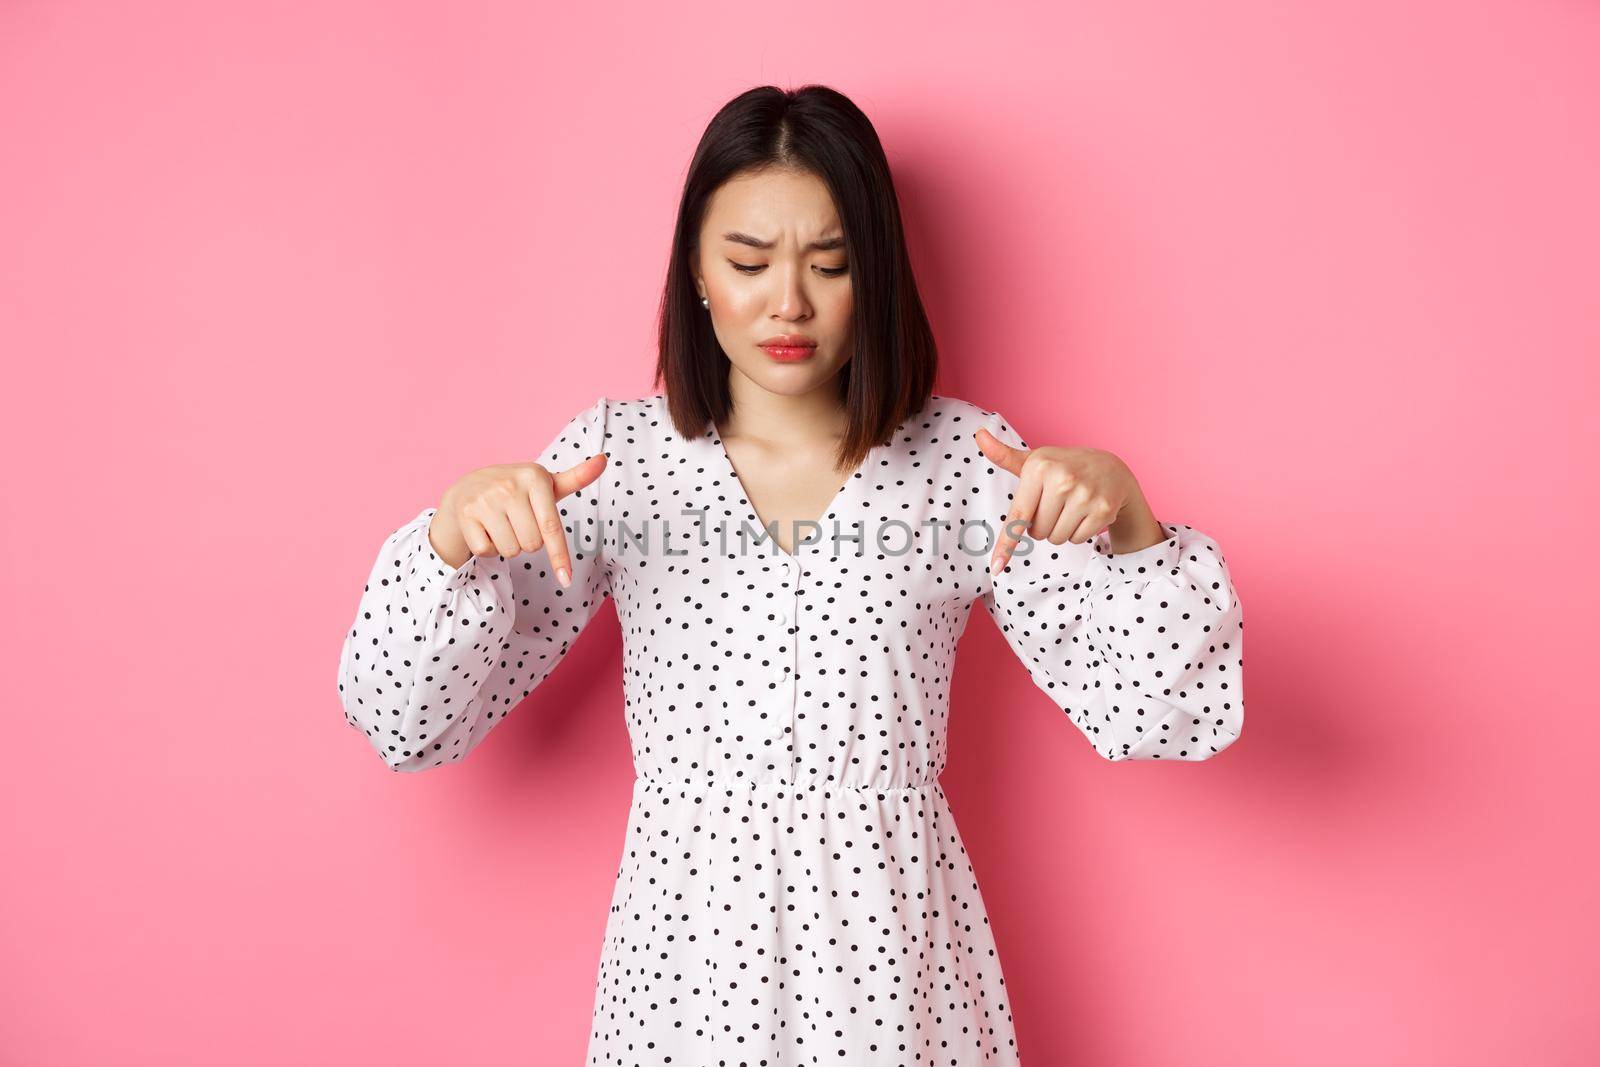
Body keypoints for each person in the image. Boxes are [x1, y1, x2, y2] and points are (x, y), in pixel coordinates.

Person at [337, 83, 1244, 1065]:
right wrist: (451, 539)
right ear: (695, 266)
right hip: (683, 965)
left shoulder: (966, 463)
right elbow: (406, 721)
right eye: (748, 259)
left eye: (830, 261)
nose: (789, 302)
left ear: (878, 273)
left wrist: (1131, 512)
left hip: (892, 962)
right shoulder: (619, 461)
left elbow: (1159, 715)